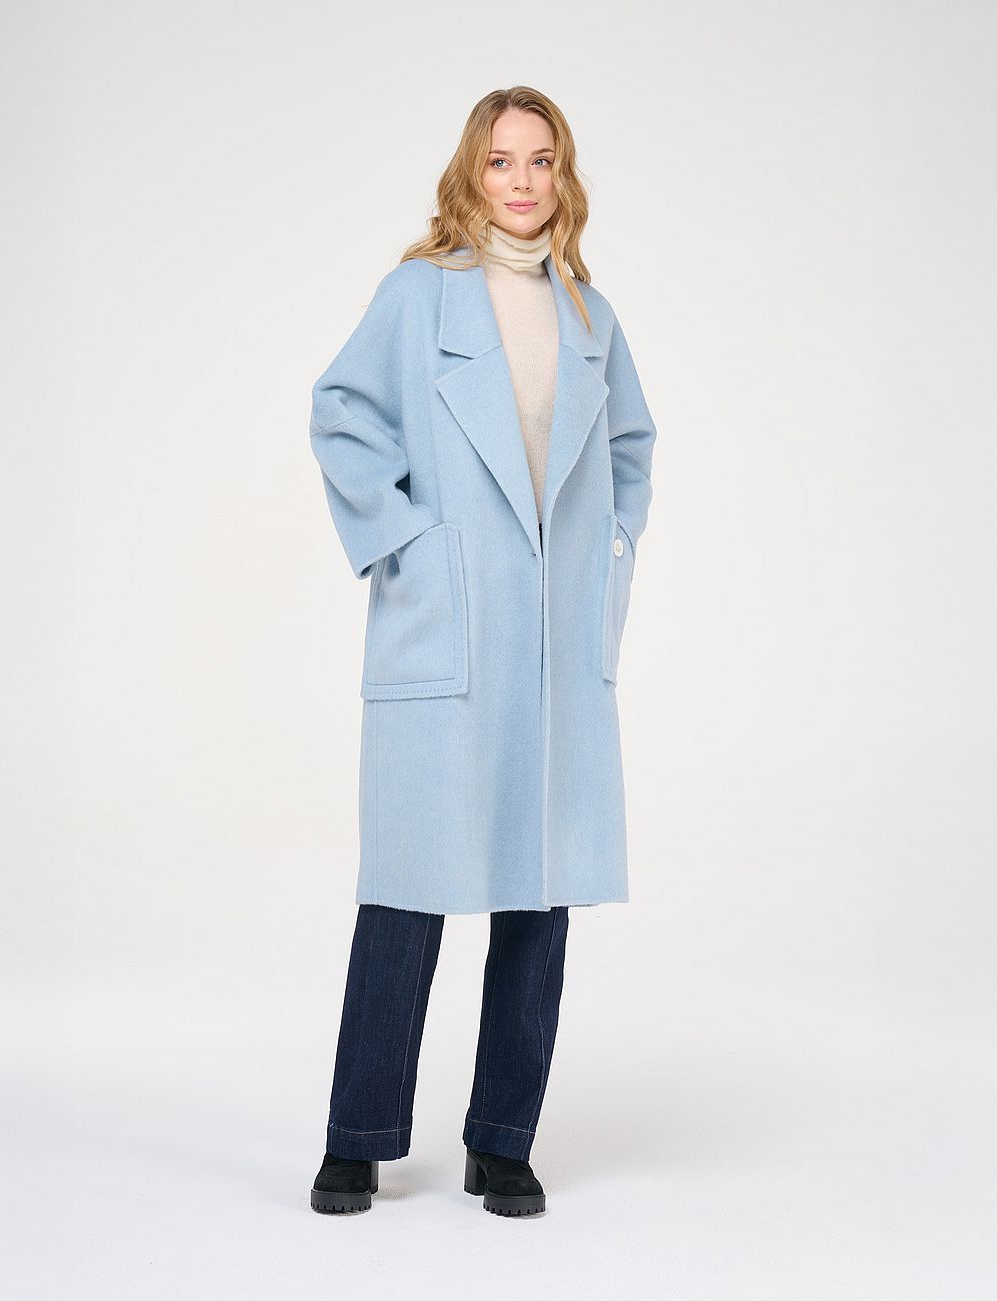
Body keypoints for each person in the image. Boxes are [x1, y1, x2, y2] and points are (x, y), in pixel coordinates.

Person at [306, 85, 657, 1216]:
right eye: (501, 159)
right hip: (447, 629)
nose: (521, 180)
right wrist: (406, 544)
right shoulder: (419, 295)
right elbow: (342, 411)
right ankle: (358, 1137)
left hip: (549, 640)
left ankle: (502, 1139)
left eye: (540, 160)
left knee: (537, 895)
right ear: (471, 171)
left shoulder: (590, 316)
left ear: (563, 176)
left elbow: (631, 450)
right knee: (406, 891)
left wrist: (607, 554)